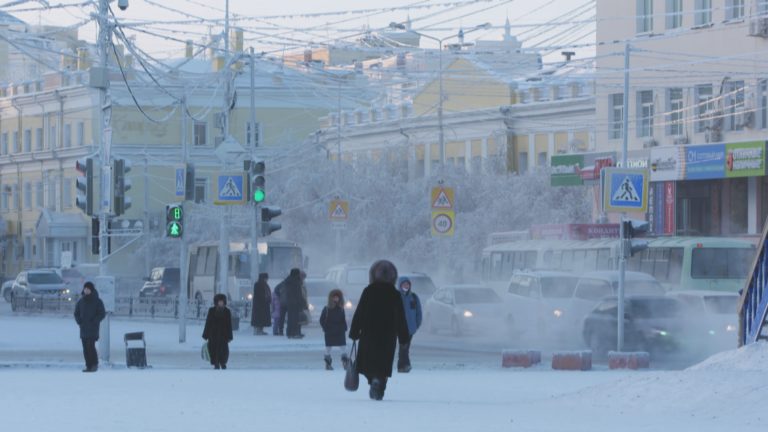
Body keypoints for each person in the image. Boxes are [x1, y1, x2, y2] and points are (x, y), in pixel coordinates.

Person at [348, 260, 409, 401]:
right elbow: (401, 317)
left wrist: (354, 332)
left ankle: (373, 380)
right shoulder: (394, 294)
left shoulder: (368, 291)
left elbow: (360, 313)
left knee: (369, 362)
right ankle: (379, 382)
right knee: (383, 363)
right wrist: (403, 337)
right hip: (388, 336)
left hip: (369, 334)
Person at [73, 281, 106, 373]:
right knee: (85, 348)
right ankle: (88, 365)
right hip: (83, 328)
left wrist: (95, 321)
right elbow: (76, 313)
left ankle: (94, 364)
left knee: (90, 346)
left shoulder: (97, 301)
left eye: (88, 289)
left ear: (91, 290)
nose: (86, 290)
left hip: (93, 328)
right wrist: (79, 321)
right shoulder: (81, 301)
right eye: (85, 289)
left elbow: (102, 313)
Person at [397, 277, 422, 373]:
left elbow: (418, 312)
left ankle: (402, 366)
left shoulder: (414, 297)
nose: (406, 286)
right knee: (404, 347)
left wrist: (417, 325)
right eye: (404, 284)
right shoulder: (397, 296)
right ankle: (405, 365)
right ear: (400, 285)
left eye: (407, 284)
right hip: (400, 327)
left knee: (405, 347)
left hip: (411, 328)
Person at [319, 288, 348, 370]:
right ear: (331, 298)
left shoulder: (341, 308)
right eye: (334, 297)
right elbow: (321, 320)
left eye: (337, 297)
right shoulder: (327, 309)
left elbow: (343, 319)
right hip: (330, 331)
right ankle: (328, 364)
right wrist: (325, 328)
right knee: (328, 348)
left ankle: (345, 362)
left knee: (343, 347)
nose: (336, 299)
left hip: (339, 331)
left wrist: (344, 327)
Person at [202, 293, 233, 369]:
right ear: (216, 302)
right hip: (213, 334)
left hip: (223, 335)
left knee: (223, 350)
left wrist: (230, 336)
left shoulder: (227, 311)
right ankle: (216, 363)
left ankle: (223, 363)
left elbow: (229, 325)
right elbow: (208, 322)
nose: (221, 303)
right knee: (213, 349)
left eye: (222, 302)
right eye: (219, 301)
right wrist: (205, 335)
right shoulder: (212, 310)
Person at [283, 268, 306, 339]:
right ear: (296, 274)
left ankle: (291, 333)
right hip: (295, 303)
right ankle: (294, 333)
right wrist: (302, 302)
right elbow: (298, 294)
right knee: (295, 319)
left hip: (290, 303)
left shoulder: (289, 281)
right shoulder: (295, 282)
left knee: (291, 319)